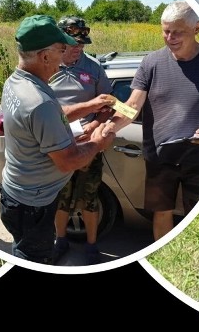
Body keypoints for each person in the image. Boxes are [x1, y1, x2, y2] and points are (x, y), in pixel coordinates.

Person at [103, 1, 199, 241]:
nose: (169, 37)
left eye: (177, 31)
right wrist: (111, 126)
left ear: (197, 28)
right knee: (161, 214)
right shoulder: (151, 63)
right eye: (165, 30)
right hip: (160, 159)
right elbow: (132, 106)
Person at [0, 14, 115, 264]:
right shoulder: (39, 102)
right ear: (44, 56)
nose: (65, 56)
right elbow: (67, 162)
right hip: (33, 205)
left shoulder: (15, 82)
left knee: (24, 250)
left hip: (17, 194)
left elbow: (52, 116)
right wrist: (98, 143)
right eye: (62, 49)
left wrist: (91, 107)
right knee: (33, 259)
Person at [49, 16, 116, 264]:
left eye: (82, 44)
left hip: (88, 144)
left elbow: (107, 105)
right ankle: (61, 240)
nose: (78, 48)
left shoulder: (93, 68)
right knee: (61, 197)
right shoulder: (47, 67)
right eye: (72, 43)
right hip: (59, 145)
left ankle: (91, 245)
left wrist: (96, 124)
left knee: (90, 196)